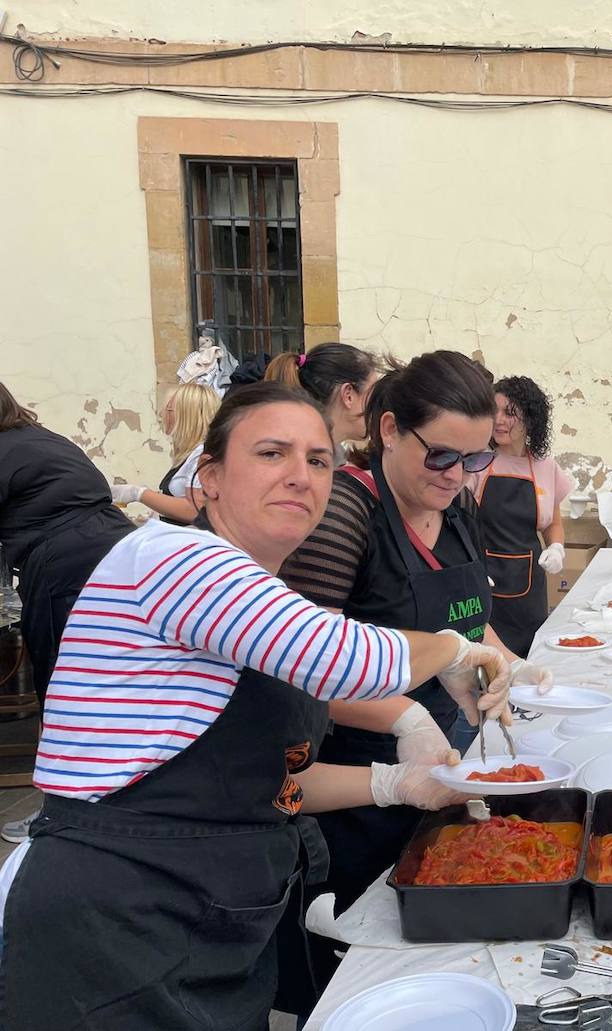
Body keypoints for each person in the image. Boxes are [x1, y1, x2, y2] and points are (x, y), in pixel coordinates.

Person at [0, 382, 515, 1029]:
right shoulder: (175, 557)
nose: (301, 475)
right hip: (112, 914)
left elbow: (268, 782)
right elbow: (343, 657)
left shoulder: (259, 595)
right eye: (272, 453)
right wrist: (454, 649)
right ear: (210, 478)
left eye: (318, 460)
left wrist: (394, 783)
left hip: (208, 917)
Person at [278, 351, 553, 922]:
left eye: (475, 458)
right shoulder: (343, 514)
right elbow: (299, 667)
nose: (456, 474)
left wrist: (505, 661)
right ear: (389, 430)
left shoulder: (457, 505)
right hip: (352, 780)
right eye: (441, 454)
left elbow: (465, 618)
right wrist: (407, 720)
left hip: (439, 760)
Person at [0, 382, 136, 844]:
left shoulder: (6, 450)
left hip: (67, 567)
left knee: (66, 693)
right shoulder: (42, 440)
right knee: (104, 688)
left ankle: (65, 816)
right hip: (115, 554)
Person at [468, 375, 572, 657]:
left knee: (529, 660)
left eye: (509, 413)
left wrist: (556, 547)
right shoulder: (476, 462)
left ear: (531, 418)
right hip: (483, 582)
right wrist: (468, 568)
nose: (499, 420)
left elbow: (553, 522)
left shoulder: (545, 467)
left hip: (529, 591)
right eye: (494, 411)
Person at [110, 382, 219, 525]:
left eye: (168, 409)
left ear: (186, 415)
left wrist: (139, 494)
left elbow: (195, 510)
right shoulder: (189, 453)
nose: (162, 415)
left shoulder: (202, 454)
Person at [263, 343, 381, 462]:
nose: (378, 405)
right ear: (348, 395)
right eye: (373, 395)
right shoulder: (303, 464)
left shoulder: (291, 453)